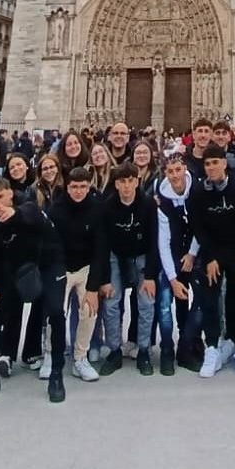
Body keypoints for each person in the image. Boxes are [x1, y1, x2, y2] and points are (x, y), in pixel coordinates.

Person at [0, 178, 64, 403]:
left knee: (56, 313)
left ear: (10, 194)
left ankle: (56, 375)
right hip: (17, 270)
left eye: (1, 197)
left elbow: (31, 215)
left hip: (48, 264)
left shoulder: (27, 206)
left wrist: (15, 214)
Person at [188, 144, 235, 379]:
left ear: (225, 163)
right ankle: (212, 348)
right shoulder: (198, 192)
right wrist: (209, 257)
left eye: (215, 162)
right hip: (213, 253)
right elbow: (199, 227)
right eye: (207, 164)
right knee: (209, 299)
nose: (211, 167)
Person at [98, 161, 159, 376]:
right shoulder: (107, 207)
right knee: (111, 302)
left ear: (137, 182)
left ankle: (143, 350)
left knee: (146, 302)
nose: (126, 186)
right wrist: (105, 278)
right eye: (122, 182)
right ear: (115, 184)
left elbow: (154, 241)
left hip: (141, 255)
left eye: (130, 181)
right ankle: (114, 349)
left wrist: (151, 275)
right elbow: (103, 244)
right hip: (116, 255)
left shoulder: (149, 204)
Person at [46, 167, 106, 382]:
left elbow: (101, 249)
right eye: (74, 187)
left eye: (83, 187)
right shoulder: (56, 209)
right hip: (61, 267)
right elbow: (52, 245)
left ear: (89, 187)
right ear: (67, 187)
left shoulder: (98, 209)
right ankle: (50, 355)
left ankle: (80, 357)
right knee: (55, 311)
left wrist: (93, 287)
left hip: (86, 267)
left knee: (89, 310)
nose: (79, 191)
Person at [155, 153, 196, 375]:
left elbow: (200, 226)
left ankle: (187, 344)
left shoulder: (195, 191)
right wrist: (171, 278)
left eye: (178, 170)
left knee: (196, 302)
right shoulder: (162, 199)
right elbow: (163, 241)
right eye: (170, 171)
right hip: (170, 257)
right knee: (164, 304)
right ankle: (167, 349)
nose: (175, 175)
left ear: (185, 169)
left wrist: (191, 254)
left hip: (194, 255)